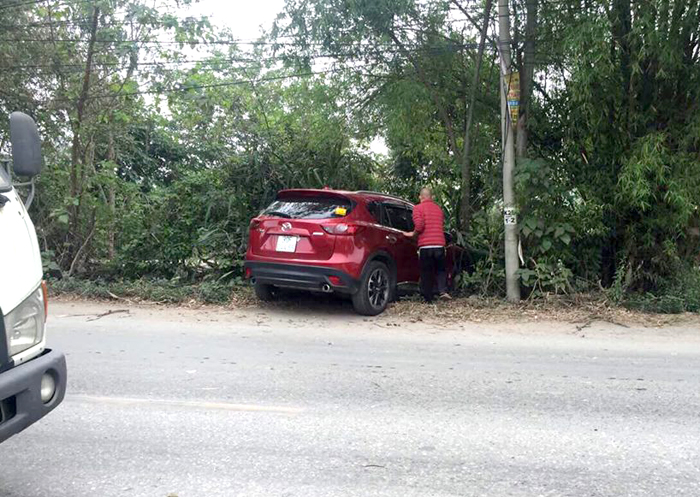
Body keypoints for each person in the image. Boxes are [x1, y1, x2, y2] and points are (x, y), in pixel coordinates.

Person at [404, 187, 451, 303]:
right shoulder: (438, 209)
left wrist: (412, 234)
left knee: (426, 272)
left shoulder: (417, 208)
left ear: (421, 197)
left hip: (426, 246)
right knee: (440, 269)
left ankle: (428, 298)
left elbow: (419, 225)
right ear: (431, 197)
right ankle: (442, 291)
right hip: (439, 245)